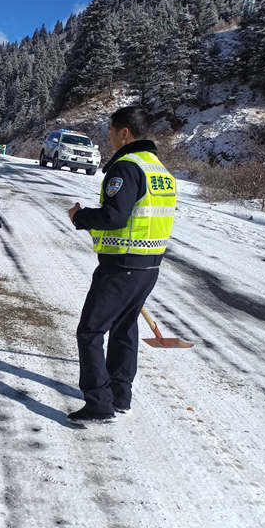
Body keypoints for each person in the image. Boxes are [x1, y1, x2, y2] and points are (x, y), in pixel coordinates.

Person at [67, 106, 176, 424]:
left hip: (122, 267)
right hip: (149, 266)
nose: (109, 137)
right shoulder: (158, 169)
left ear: (124, 132)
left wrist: (81, 217)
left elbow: (115, 216)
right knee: (125, 329)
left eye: (112, 131)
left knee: (89, 333)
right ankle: (120, 395)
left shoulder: (127, 167)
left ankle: (99, 402)